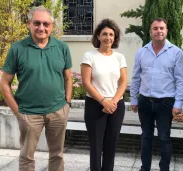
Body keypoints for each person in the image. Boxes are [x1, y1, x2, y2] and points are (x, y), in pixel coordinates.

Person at [0, 6, 72, 171]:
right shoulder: (17, 49)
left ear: (52, 26)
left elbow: (68, 77)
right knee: (27, 157)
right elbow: (4, 83)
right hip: (29, 113)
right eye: (37, 23)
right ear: (28, 24)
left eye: (46, 24)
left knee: (57, 154)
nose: (41, 27)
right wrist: (18, 113)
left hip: (58, 111)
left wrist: (67, 103)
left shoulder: (62, 48)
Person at [130, 18, 183, 171]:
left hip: (166, 103)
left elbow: (181, 80)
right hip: (145, 102)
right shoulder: (142, 52)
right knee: (146, 136)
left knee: (164, 138)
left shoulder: (176, 53)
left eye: (162, 28)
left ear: (166, 31)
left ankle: (164, 169)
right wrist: (134, 99)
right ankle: (145, 168)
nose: (159, 31)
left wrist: (178, 103)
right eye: (155, 28)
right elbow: (135, 77)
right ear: (150, 32)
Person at [81, 18, 127, 171]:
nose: (108, 37)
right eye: (105, 34)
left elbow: (123, 82)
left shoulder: (119, 57)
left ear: (115, 38)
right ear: (98, 36)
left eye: (111, 35)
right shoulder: (89, 56)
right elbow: (86, 83)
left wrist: (113, 101)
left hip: (116, 107)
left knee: (111, 146)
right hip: (95, 105)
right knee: (96, 147)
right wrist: (103, 101)